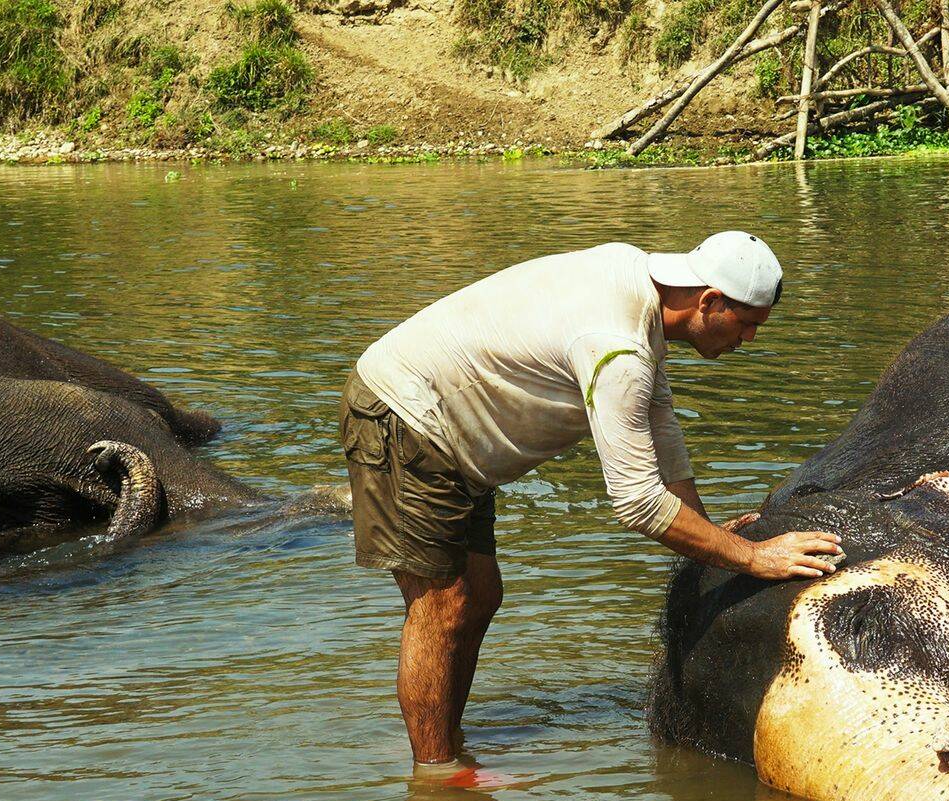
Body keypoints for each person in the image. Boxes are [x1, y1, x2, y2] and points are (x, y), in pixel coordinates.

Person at [340, 231, 844, 771]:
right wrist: (750, 557)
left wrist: (708, 529)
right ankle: (438, 777)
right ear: (709, 301)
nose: (748, 339)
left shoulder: (636, 283)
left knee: (479, 595)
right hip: (406, 414)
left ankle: (444, 741)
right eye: (746, 323)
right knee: (442, 605)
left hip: (453, 431)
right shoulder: (618, 346)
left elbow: (661, 427)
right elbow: (637, 503)